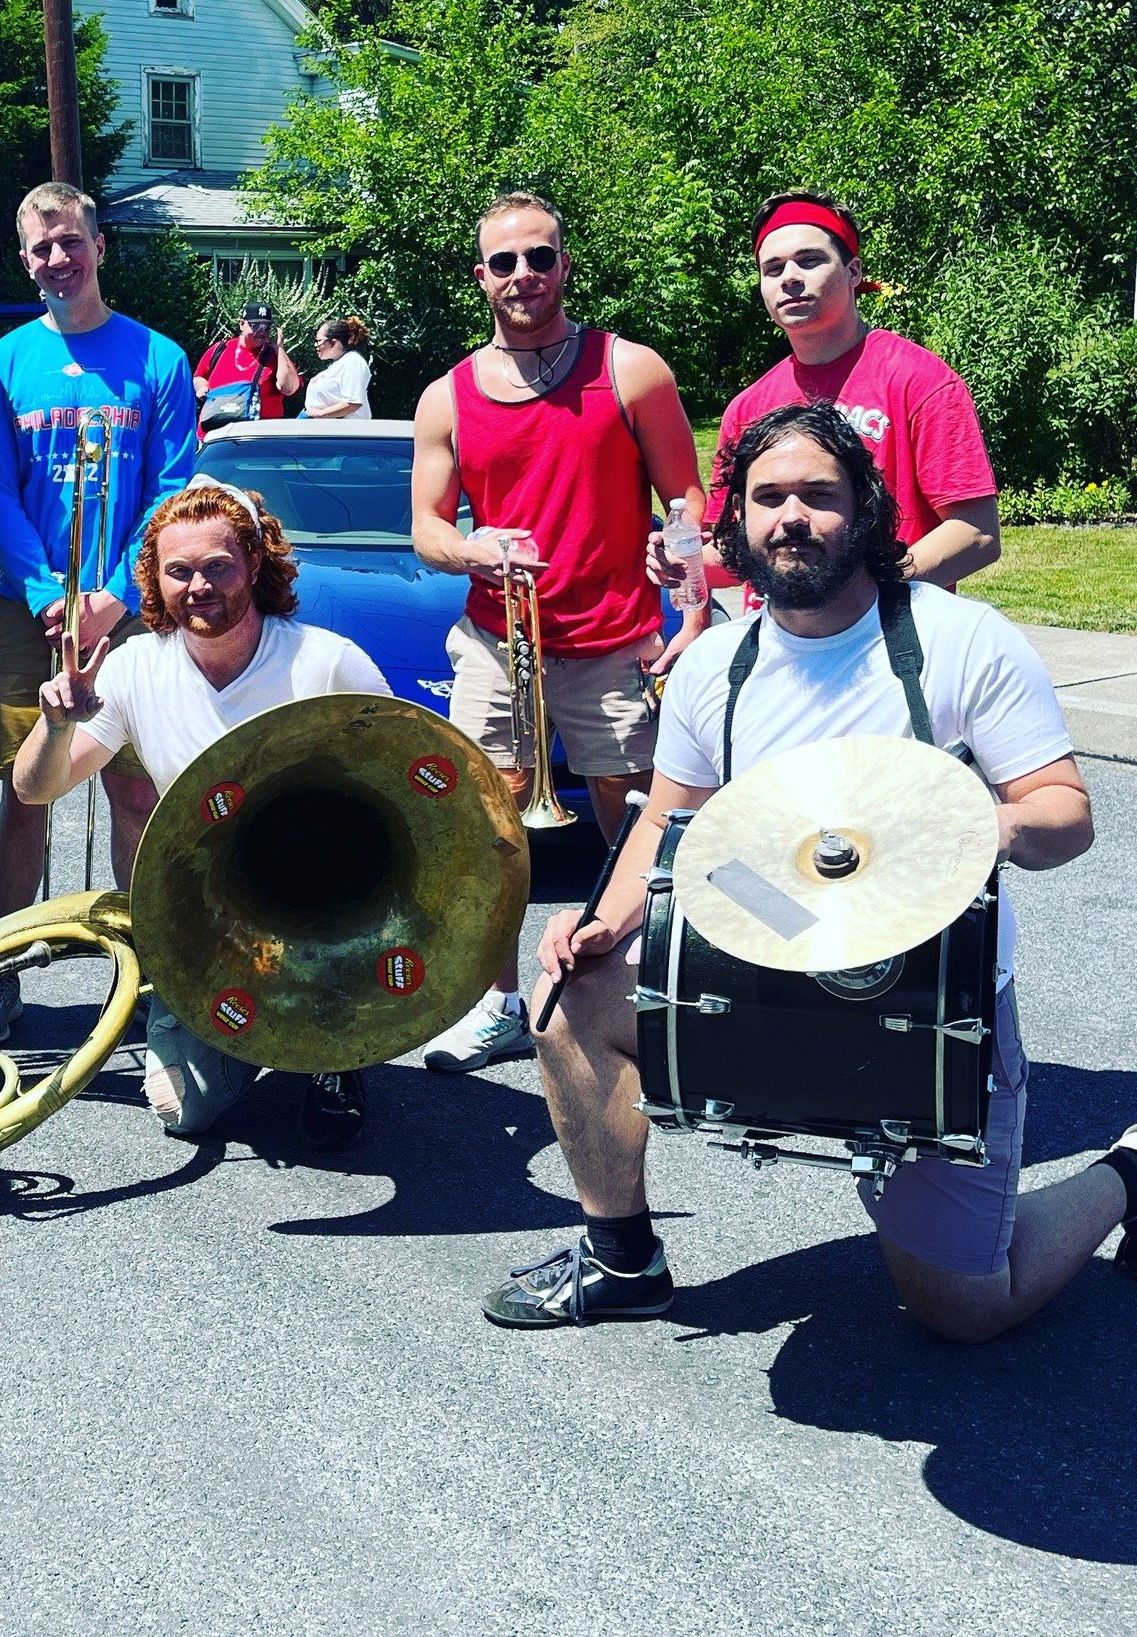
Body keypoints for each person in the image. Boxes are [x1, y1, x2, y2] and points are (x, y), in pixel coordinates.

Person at [484, 402, 1116, 1340]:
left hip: (929, 984)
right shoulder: (714, 665)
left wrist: (992, 824)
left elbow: (1069, 817)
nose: (791, 517)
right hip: (763, 947)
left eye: (818, 496)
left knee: (964, 1312)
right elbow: (667, 816)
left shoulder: (962, 639)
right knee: (568, 995)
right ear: (735, 519)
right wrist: (603, 925)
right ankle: (621, 1260)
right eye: (766, 496)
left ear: (863, 507)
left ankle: (1126, 1174)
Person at [411, 190, 707, 1072]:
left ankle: (639, 995)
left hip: (614, 642)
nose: (523, 276)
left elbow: (686, 500)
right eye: (504, 263)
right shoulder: (448, 395)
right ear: (481, 278)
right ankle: (498, 1002)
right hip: (498, 644)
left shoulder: (631, 370)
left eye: (539, 257)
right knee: (482, 825)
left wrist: (690, 608)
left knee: (639, 822)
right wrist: (473, 548)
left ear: (564, 266)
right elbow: (426, 528)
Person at [15, 477, 390, 1148]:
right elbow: (37, 789)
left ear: (255, 563)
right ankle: (259, 1030)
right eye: (178, 571)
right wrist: (55, 725)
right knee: (179, 1111)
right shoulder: (136, 667)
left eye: (218, 567)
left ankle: (337, 1049)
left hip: (322, 898)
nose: (199, 587)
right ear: (154, 582)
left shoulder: (329, 662)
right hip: (208, 916)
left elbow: (404, 801)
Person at [0, 182, 198, 1046]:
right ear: (23, 258)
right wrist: (48, 594)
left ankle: (147, 969)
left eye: (70, 242)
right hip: (25, 614)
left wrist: (109, 596)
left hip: (131, 616)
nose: (56, 260)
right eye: (39, 248)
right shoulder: (1, 363)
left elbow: (171, 488)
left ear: (99, 247)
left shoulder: (160, 359)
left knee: (136, 790)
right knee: (23, 794)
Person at [658, 192, 999, 604]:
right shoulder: (747, 408)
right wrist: (682, 560)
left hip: (887, 639)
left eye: (809, 260)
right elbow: (736, 550)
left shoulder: (920, 381)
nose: (790, 277)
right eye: (773, 268)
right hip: (778, 645)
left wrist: (863, 591)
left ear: (854, 271)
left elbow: (977, 533)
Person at [195, 299, 301, 428]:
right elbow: (199, 376)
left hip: (255, 436)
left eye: (266, 327)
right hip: (214, 434)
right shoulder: (221, 348)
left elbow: (289, 388)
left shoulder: (275, 356)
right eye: (255, 326)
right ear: (242, 324)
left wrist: (279, 348)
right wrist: (201, 388)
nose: (261, 332)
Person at [301, 315, 372, 421]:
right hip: (323, 431)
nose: (316, 345)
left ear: (334, 342)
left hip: (346, 433)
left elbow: (352, 403)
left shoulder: (353, 362)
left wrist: (320, 414)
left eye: (319, 341)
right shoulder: (336, 365)